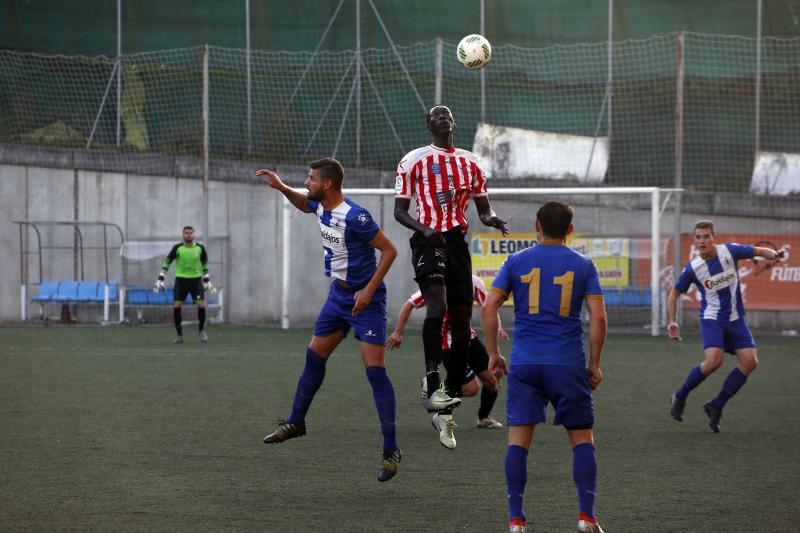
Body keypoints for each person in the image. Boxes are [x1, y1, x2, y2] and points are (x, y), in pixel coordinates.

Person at [257, 158, 402, 482]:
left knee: (375, 371)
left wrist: (367, 290)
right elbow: (303, 202)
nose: (306, 182)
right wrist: (281, 187)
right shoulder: (320, 206)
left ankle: (391, 450)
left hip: (365, 301)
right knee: (314, 355)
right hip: (338, 297)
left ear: (328, 184)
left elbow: (390, 251)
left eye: (311, 178)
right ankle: (297, 421)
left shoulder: (356, 216)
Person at [482, 201, 607, 533]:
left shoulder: (516, 261)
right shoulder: (584, 266)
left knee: (518, 441)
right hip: (567, 363)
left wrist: (494, 353)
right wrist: (594, 364)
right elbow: (599, 318)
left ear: (536, 225)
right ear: (570, 229)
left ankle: (516, 520)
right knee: (582, 438)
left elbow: (490, 305)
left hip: (525, 363)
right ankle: (586, 517)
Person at [394, 104, 508, 446]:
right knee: (437, 307)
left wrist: (493, 219)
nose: (442, 118)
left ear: (454, 123)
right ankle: (431, 377)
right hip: (429, 240)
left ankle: (445, 405)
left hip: (458, 243)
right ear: (428, 124)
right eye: (435, 116)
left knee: (461, 328)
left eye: (446, 115)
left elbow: (483, 210)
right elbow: (400, 211)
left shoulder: (471, 162)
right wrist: (424, 229)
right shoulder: (413, 159)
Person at [668, 220, 785, 433]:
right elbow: (674, 293)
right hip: (712, 319)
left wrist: (774, 255)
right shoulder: (693, 268)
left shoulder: (729, 251)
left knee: (750, 362)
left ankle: (716, 405)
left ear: (714, 237)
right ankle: (681, 395)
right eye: (698, 237)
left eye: (706, 237)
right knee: (714, 361)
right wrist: (673, 321)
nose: (702, 241)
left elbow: (758, 251)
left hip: (736, 319)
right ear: (695, 240)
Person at [386, 275, 508, 449]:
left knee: (492, 380)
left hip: (469, 338)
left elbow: (490, 307)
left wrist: (499, 327)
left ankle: (484, 418)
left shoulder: (474, 282)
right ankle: (434, 391)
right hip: (448, 343)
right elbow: (409, 304)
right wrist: (398, 332)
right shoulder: (436, 283)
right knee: (471, 389)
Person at [154, 226, 214, 343]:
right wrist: (161, 276)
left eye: (190, 233)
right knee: (176, 307)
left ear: (194, 235)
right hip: (181, 281)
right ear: (183, 235)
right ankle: (179, 335)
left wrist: (206, 278)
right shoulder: (177, 248)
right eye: (186, 233)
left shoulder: (200, 248)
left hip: (196, 281)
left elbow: (205, 262)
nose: (188, 235)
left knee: (201, 306)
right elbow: (168, 260)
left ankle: (201, 330)